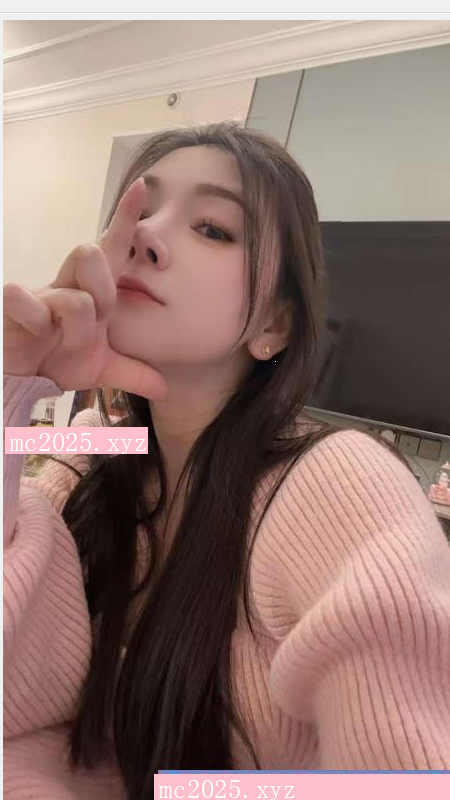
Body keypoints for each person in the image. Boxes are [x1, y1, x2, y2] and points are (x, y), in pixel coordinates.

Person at [3, 122, 450, 800]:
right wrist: (15, 385)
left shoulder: (332, 485)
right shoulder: (97, 445)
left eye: (213, 229)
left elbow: (410, 787)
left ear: (274, 325)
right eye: (139, 211)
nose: (146, 238)